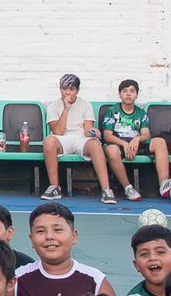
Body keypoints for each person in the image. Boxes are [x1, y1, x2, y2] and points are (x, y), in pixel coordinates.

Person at [41, 73, 116, 203]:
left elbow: (87, 130)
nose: (68, 93)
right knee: (49, 141)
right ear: (60, 89)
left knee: (95, 144)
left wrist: (94, 132)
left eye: (71, 89)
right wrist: (66, 109)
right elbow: (57, 131)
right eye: (64, 89)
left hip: (81, 138)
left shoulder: (85, 104)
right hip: (62, 139)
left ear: (77, 90)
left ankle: (106, 189)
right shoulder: (53, 105)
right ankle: (54, 187)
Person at [99, 78, 149, 202]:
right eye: (124, 91)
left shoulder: (141, 113)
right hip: (117, 142)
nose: (128, 94)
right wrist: (124, 144)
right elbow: (107, 136)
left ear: (136, 95)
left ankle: (165, 184)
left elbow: (146, 134)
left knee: (160, 143)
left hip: (135, 143)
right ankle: (128, 188)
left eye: (132, 91)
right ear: (119, 94)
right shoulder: (112, 111)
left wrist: (136, 140)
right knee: (111, 151)